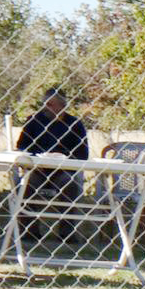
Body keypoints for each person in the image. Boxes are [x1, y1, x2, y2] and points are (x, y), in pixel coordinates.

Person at [15, 89, 90, 237]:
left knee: (70, 184)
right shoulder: (34, 121)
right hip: (37, 170)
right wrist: (35, 160)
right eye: (44, 104)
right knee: (25, 184)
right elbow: (21, 147)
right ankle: (29, 231)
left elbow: (82, 154)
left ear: (61, 106)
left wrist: (63, 159)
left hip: (63, 170)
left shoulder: (74, 124)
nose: (45, 107)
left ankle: (66, 232)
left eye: (50, 104)